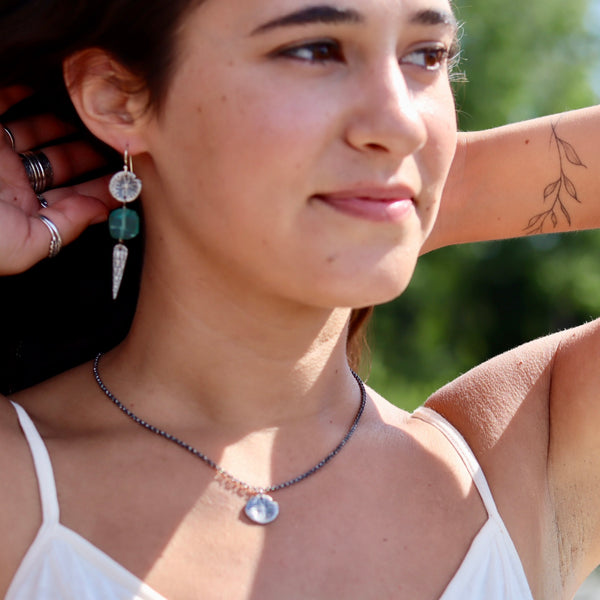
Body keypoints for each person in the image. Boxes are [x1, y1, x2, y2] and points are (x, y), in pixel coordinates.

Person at [1, 0, 600, 598]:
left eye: (426, 55)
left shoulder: (517, 462)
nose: (404, 124)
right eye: (316, 50)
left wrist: (438, 187)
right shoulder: (17, 484)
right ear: (116, 97)